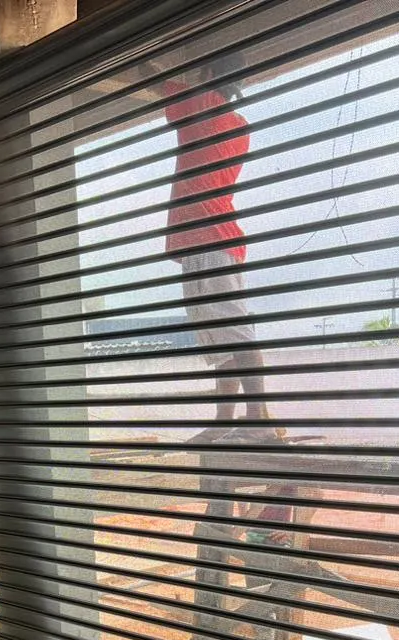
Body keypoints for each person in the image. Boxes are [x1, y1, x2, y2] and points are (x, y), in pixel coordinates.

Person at [162, 57, 270, 423]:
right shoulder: (237, 124)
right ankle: (225, 422)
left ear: (208, 75)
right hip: (211, 240)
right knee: (221, 337)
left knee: (234, 331)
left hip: (209, 239)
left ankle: (258, 419)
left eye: (199, 73)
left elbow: (157, 80)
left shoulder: (204, 105)